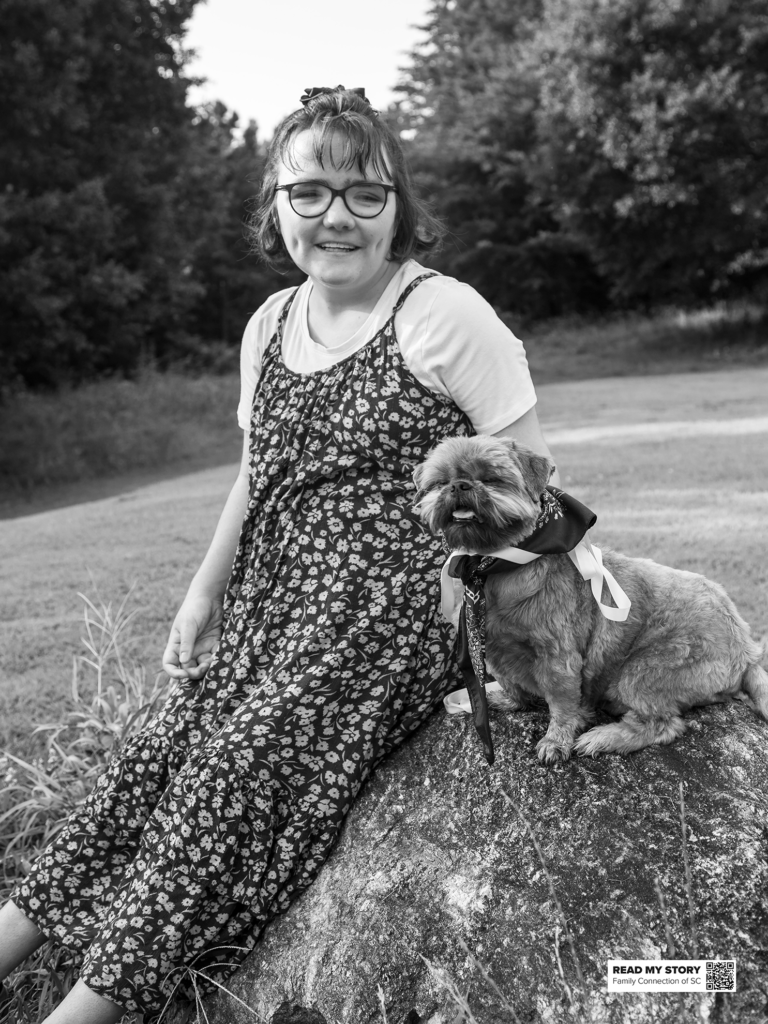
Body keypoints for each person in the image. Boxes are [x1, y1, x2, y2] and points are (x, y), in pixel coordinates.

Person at [0, 86, 557, 1023]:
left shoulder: (445, 313)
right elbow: (257, 474)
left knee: (232, 783)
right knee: (152, 761)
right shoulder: (268, 325)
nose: (336, 214)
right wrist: (200, 595)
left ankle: (84, 1013)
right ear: (277, 207)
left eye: (363, 192)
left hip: (386, 619)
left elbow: (528, 481)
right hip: (272, 605)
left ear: (398, 207)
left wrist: (471, 602)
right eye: (310, 191)